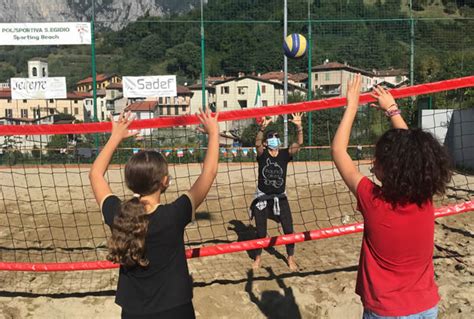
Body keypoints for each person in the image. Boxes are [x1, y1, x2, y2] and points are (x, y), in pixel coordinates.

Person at [331, 74, 452, 318]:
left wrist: (351, 106)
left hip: (386, 310)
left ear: (390, 168)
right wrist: (392, 110)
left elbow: (337, 151)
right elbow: (413, 153)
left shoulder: (372, 199)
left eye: (379, 160)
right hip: (426, 307)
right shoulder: (424, 197)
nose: (374, 162)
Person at [89, 109, 219, 319]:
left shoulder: (118, 214)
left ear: (129, 182)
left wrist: (115, 136)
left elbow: (95, 174)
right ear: (165, 181)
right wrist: (214, 133)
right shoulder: (175, 215)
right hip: (175, 308)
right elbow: (209, 172)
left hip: (134, 310)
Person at [250, 113, 304, 271]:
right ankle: (258, 257)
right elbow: (257, 143)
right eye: (272, 136)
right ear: (267, 143)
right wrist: (262, 129)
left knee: (288, 228)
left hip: (280, 197)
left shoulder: (285, 154)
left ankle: (290, 258)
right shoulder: (263, 154)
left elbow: (299, 142)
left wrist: (299, 126)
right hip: (262, 197)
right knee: (261, 231)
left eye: (277, 136)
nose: (276, 138)